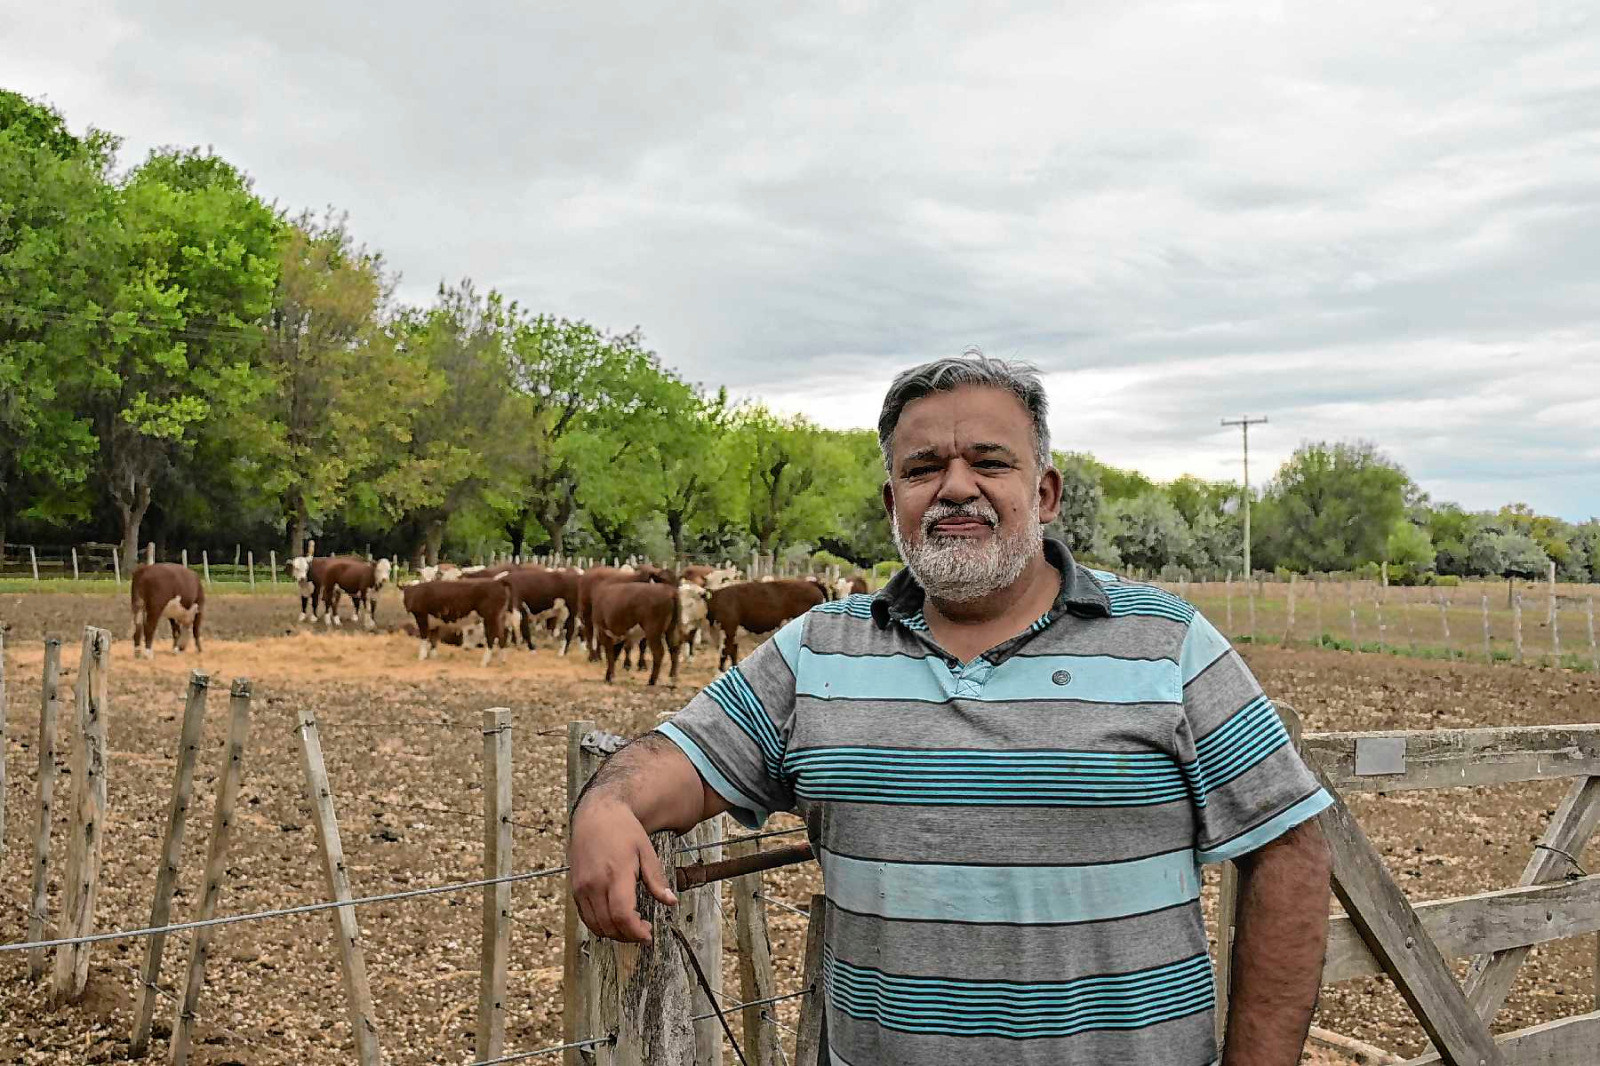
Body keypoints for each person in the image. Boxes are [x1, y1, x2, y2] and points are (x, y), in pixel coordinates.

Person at [569, 354, 1333, 1066]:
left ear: (1045, 492)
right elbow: (678, 761)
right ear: (892, 498)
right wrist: (606, 804)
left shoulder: (1165, 643)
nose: (956, 487)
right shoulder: (818, 652)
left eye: (990, 463)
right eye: (923, 468)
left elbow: (1290, 850)